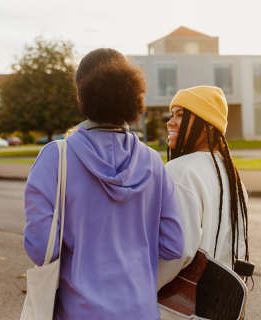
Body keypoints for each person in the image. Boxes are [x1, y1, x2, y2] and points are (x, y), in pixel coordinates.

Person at [23, 48, 185, 320]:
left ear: (80, 94)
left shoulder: (55, 157)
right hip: (141, 312)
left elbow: (41, 250)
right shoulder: (153, 162)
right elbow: (173, 246)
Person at [158, 85, 250, 319]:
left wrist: (140, 287)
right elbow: (236, 247)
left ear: (207, 126)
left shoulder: (180, 172)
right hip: (216, 307)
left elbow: (176, 252)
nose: (170, 122)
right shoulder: (233, 177)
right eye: (172, 114)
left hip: (174, 310)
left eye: (181, 115)